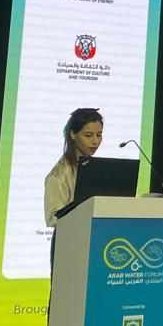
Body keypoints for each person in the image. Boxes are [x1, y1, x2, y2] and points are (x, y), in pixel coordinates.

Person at [44, 107, 103, 268]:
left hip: (96, 242)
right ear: (72, 134)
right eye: (88, 135)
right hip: (69, 245)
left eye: (99, 135)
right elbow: (53, 217)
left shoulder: (98, 169)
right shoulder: (58, 175)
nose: (95, 141)